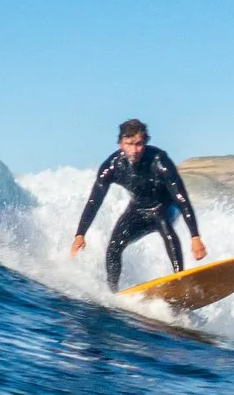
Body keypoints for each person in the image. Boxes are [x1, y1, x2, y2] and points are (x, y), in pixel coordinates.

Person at [71, 118, 207, 290]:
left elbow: (181, 198)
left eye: (139, 144)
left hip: (165, 206)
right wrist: (80, 234)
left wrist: (195, 237)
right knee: (114, 247)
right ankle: (113, 291)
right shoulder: (112, 166)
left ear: (145, 142)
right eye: (129, 144)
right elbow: (94, 201)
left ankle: (178, 277)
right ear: (120, 144)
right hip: (137, 210)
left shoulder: (159, 160)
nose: (134, 150)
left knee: (165, 227)